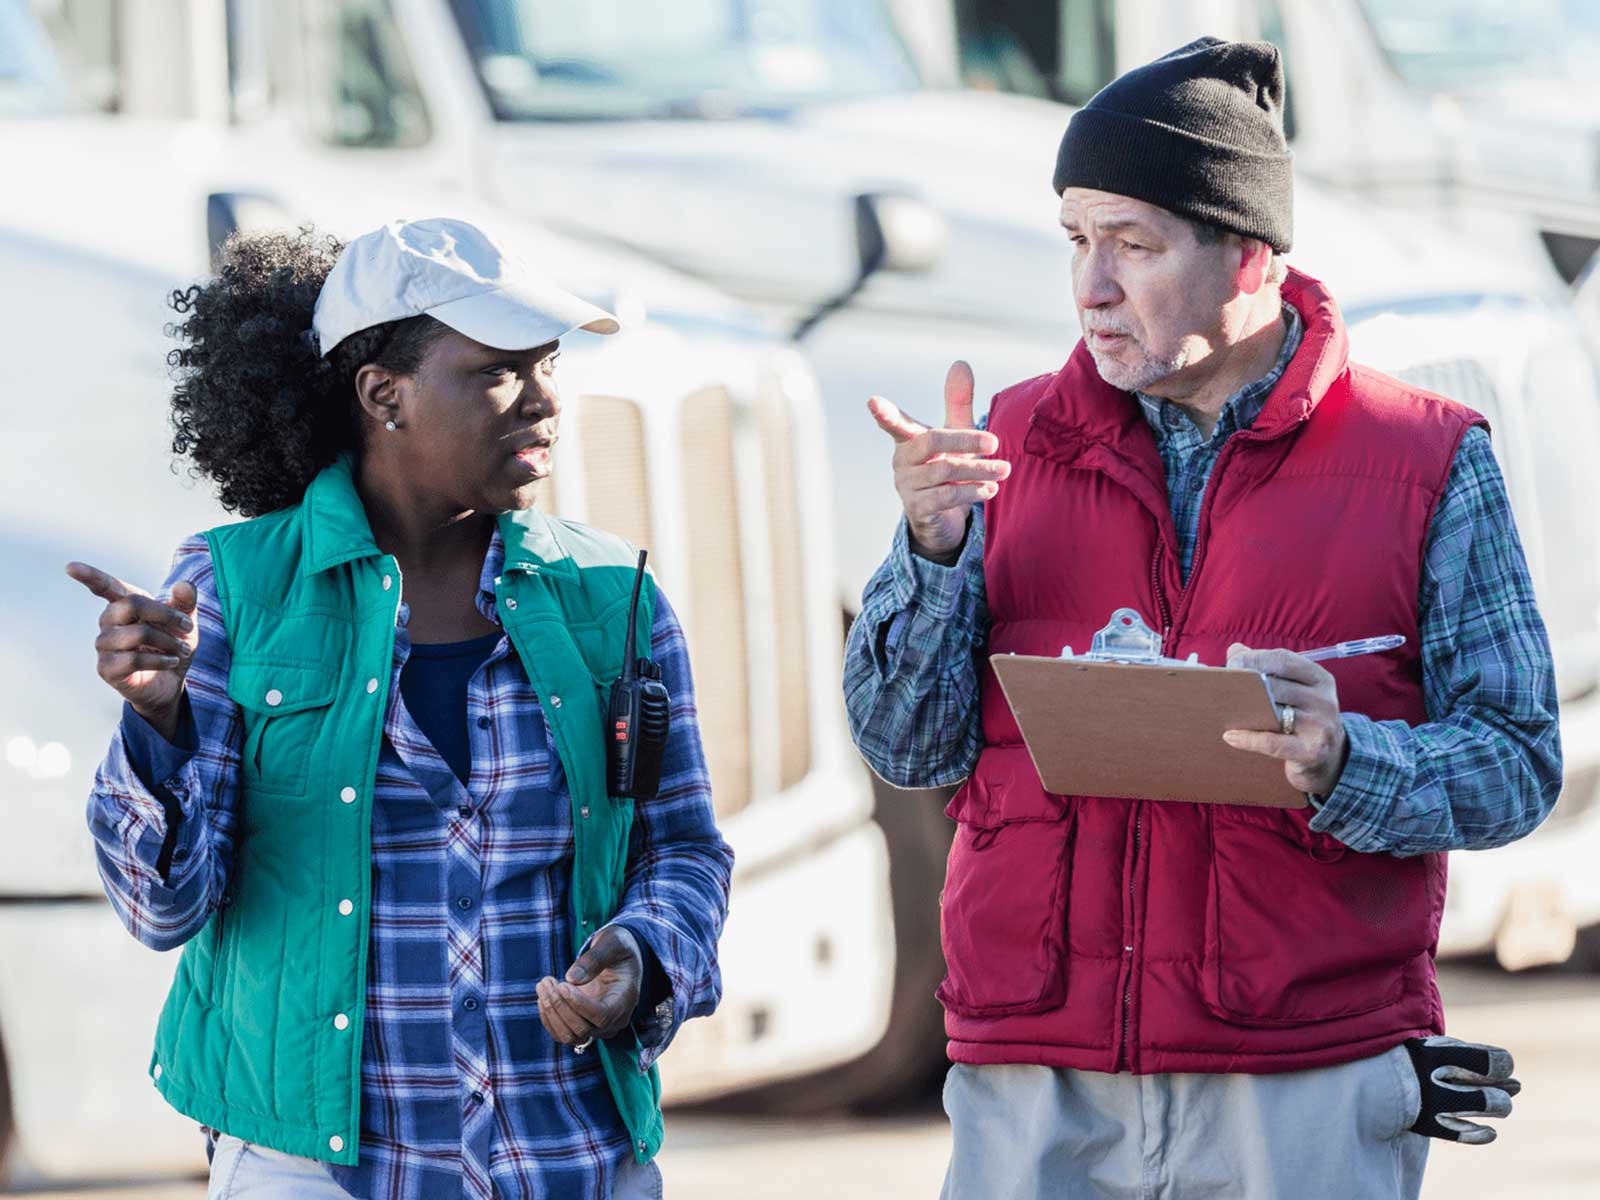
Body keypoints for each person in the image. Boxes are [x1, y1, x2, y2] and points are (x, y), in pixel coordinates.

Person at [844, 38, 1556, 1200]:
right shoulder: (998, 453)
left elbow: (1517, 764)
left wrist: (1345, 761)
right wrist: (931, 551)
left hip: (1305, 1077)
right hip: (1036, 1078)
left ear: (1247, 256)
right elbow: (904, 746)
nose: (1090, 287)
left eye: (1133, 242)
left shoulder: (1426, 461)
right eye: (1075, 239)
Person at [72, 218, 733, 1199]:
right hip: (311, 1168)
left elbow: (681, 850)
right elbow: (160, 908)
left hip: (570, 1157)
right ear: (383, 394)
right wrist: (160, 723)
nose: (545, 398)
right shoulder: (231, 590)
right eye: (499, 372)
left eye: (546, 365)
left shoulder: (613, 598)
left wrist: (644, 956)